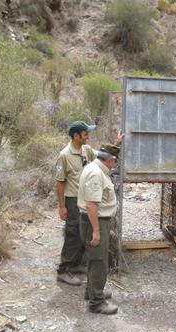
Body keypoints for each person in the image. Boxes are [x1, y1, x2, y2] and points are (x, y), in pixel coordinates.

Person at [55, 121, 122, 286]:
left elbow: (102, 156)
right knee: (72, 235)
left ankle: (77, 264)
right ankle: (63, 270)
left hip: (84, 200)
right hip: (72, 200)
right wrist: (62, 206)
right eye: (85, 134)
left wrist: (116, 144)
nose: (88, 136)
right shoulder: (64, 155)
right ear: (75, 136)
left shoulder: (86, 150)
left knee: (82, 234)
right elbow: (59, 182)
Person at [78, 144, 120, 314]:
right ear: (110, 160)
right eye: (114, 162)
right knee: (99, 260)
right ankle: (96, 302)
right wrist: (96, 230)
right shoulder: (96, 173)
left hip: (94, 221)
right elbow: (91, 204)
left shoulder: (95, 167)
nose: (115, 164)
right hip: (95, 221)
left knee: (93, 257)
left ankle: (92, 291)